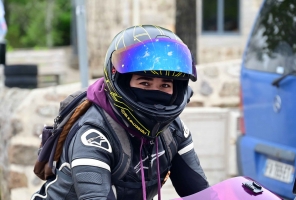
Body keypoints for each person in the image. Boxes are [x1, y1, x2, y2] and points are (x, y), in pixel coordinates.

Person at [31, 25, 209, 200]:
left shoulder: (174, 131)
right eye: (144, 84)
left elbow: (201, 193)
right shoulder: (94, 135)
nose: (155, 92)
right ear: (121, 81)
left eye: (165, 85)